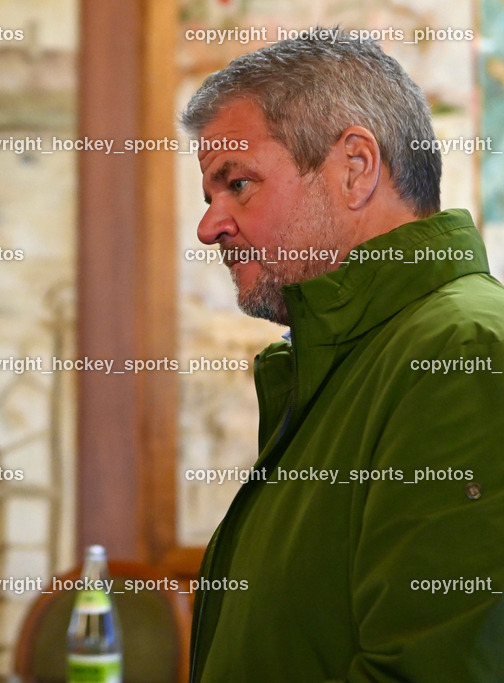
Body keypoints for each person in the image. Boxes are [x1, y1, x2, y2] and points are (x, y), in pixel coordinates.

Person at [180, 29, 504, 681]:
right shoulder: (354, 356)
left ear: (354, 167)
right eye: (209, 195)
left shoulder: (461, 350)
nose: (209, 225)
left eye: (237, 183)